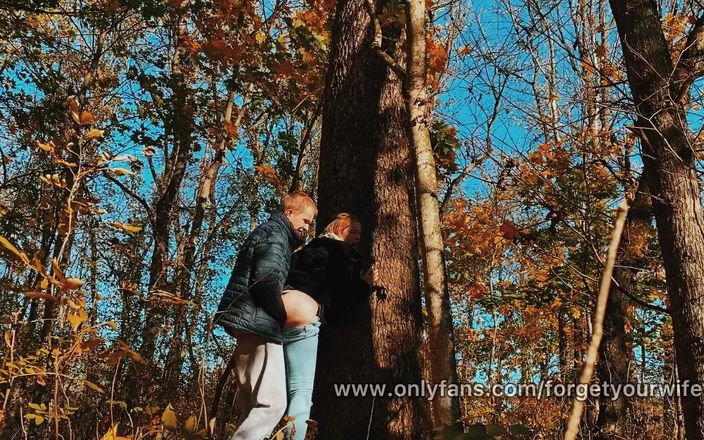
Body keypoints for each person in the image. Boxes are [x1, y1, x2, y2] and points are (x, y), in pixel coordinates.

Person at [215, 192, 317, 440]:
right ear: (290, 213)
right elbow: (266, 280)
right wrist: (282, 316)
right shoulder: (275, 234)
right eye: (305, 220)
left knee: (252, 407)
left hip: (247, 325)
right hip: (260, 325)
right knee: (272, 404)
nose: (307, 227)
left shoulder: (271, 233)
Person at [280, 213, 376, 440]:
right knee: (300, 395)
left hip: (276, 314)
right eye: (352, 231)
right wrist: (365, 285)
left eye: (359, 234)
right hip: (303, 317)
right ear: (340, 229)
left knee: (274, 396)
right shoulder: (342, 254)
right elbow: (344, 297)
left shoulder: (306, 250)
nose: (357, 237)